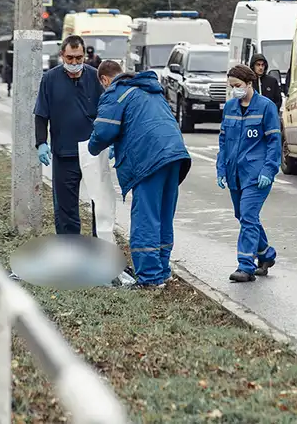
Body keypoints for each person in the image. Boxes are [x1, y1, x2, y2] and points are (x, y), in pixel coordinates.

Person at [88, 60, 191, 288]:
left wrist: (91, 147)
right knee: (163, 215)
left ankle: (149, 278)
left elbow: (104, 130)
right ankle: (162, 271)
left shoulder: (116, 92)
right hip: (174, 154)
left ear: (105, 80)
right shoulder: (150, 90)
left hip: (149, 158)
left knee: (146, 217)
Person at [216, 65, 281, 283]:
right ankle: (266, 255)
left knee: (248, 215)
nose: (235, 90)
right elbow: (223, 141)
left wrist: (269, 169)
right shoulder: (230, 108)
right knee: (242, 216)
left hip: (256, 174)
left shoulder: (266, 107)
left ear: (250, 84)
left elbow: (274, 141)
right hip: (235, 173)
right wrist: (221, 168)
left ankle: (246, 266)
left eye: (238, 86)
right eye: (232, 86)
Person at [34, 35, 105, 235]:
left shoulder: (95, 77)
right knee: (66, 209)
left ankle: (99, 250)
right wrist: (41, 142)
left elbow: (108, 112)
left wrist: (113, 140)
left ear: (85, 56)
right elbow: (41, 114)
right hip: (65, 152)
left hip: (93, 151)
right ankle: (69, 252)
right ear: (62, 55)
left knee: (100, 205)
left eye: (79, 58)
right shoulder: (50, 79)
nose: (74, 63)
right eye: (70, 58)